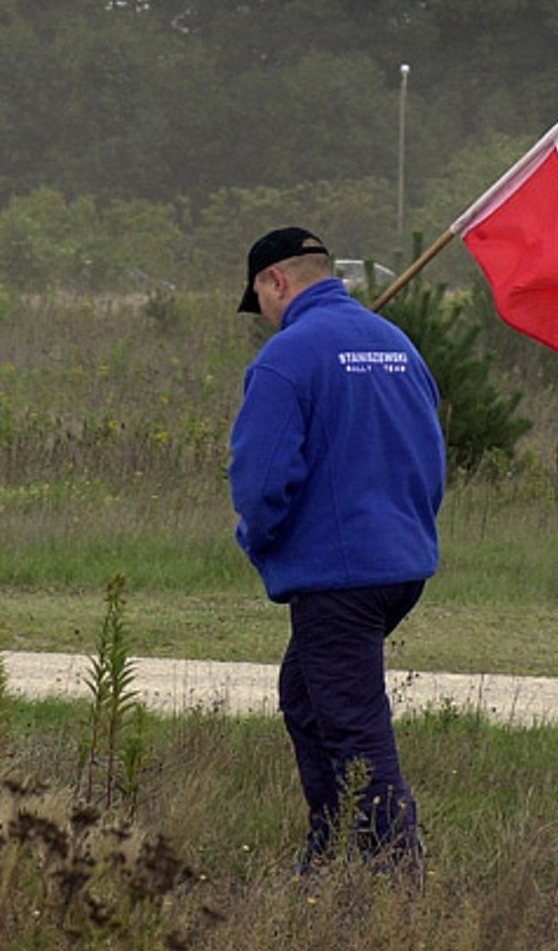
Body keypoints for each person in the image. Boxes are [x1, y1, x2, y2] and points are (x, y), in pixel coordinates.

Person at [228, 227, 447, 877]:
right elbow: (432, 460)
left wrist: (259, 541)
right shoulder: (397, 345)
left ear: (277, 281)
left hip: (338, 577)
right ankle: (329, 852)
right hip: (400, 565)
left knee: (354, 729)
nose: (267, 316)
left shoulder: (285, 358)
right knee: (304, 696)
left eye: (262, 301)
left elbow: (261, 482)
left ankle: (393, 879)